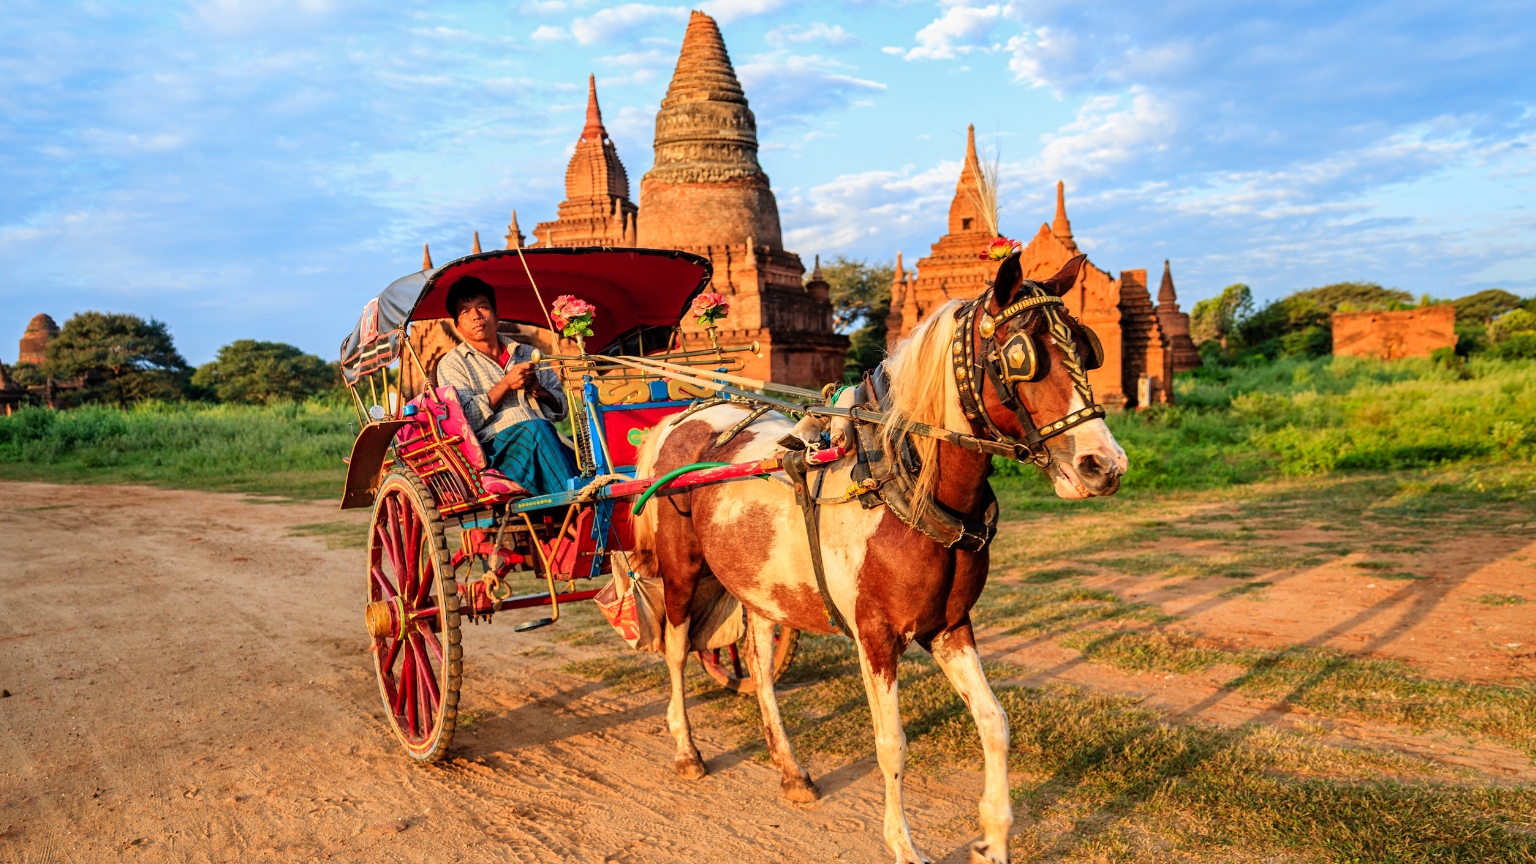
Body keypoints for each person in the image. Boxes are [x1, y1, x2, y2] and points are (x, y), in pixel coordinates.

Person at [435, 277, 577, 495]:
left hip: (545, 437)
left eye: (482, 306)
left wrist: (538, 390)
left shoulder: (529, 353)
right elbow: (464, 422)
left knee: (588, 454)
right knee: (536, 429)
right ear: (458, 326)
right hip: (494, 448)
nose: (476, 316)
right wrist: (505, 384)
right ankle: (579, 505)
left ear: (496, 314)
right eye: (465, 311)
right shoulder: (452, 364)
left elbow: (562, 410)